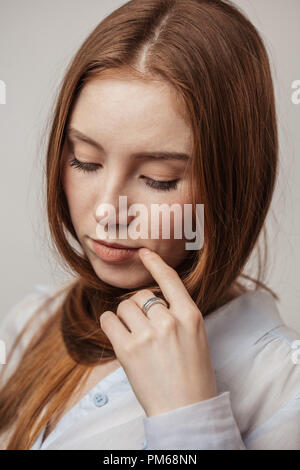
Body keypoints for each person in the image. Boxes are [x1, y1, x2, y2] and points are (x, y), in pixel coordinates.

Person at [0, 0, 299, 450]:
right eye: (85, 160)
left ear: (234, 182)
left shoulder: (283, 385)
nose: (106, 210)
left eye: (158, 180)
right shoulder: (33, 320)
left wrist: (189, 420)